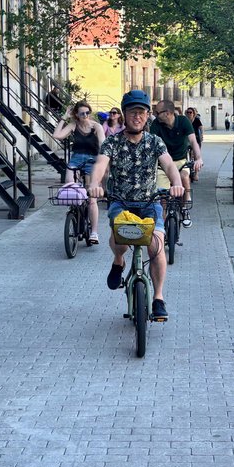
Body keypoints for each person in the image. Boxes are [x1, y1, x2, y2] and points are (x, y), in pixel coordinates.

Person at [89, 90, 185, 322]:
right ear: (124, 115)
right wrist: (94, 183)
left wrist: (177, 182)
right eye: (132, 112)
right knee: (120, 239)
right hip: (120, 202)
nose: (137, 116)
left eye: (141, 112)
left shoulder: (154, 142)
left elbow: (169, 165)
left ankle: (159, 298)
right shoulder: (112, 142)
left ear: (147, 115)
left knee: (157, 247)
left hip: (150, 202)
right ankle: (119, 261)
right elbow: (101, 165)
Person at [53, 100, 104, 244]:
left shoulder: (96, 127)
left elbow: (103, 144)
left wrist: (103, 164)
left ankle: (94, 232)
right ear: (76, 114)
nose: (85, 115)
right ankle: (75, 213)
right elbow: (57, 135)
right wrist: (64, 117)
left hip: (92, 161)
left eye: (88, 112)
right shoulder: (73, 125)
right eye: (82, 113)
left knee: (92, 198)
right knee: (69, 187)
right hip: (75, 160)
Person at [149, 99, 203, 227]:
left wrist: (198, 158)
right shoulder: (156, 124)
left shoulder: (183, 121)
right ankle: (160, 228)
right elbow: (151, 145)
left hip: (180, 161)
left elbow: (193, 141)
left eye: (157, 113)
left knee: (184, 176)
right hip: (162, 164)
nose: (155, 115)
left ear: (167, 113)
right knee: (162, 195)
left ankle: (185, 207)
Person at [184, 107, 205, 182]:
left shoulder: (196, 120)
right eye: (188, 112)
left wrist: (202, 134)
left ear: (193, 113)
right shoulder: (185, 120)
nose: (189, 114)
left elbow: (201, 127)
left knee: (196, 156)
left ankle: (196, 173)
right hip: (186, 140)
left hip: (196, 139)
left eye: (191, 112)